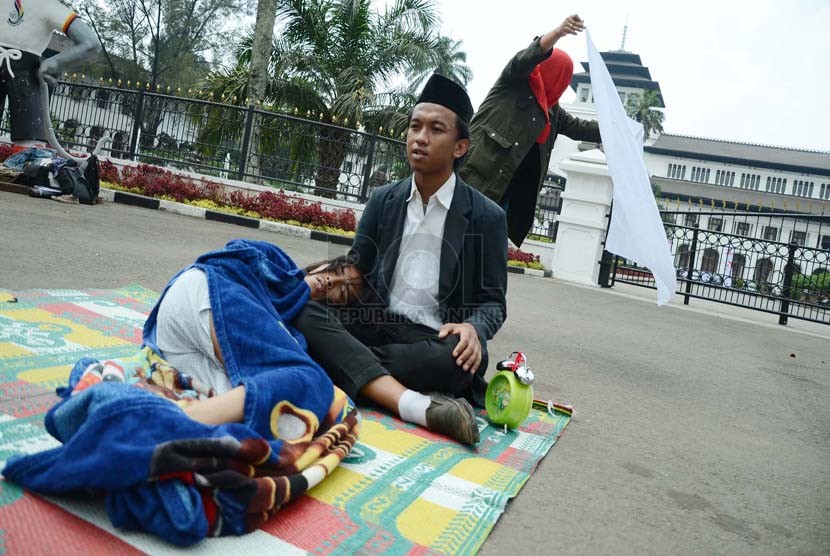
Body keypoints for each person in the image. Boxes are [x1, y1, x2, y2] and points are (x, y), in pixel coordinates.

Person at [295, 74, 509, 446]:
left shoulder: (487, 217)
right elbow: (358, 268)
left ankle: (342, 365)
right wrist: (310, 283)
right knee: (305, 311)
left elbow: (493, 301)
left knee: (457, 362)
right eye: (415, 126)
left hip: (435, 340)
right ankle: (410, 400)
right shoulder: (384, 199)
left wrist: (474, 328)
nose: (420, 137)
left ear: (460, 147)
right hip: (377, 322)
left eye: (435, 129)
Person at [141, 239, 363, 426]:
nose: (330, 280)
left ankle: (159, 425)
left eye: (342, 290)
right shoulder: (280, 264)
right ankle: (168, 428)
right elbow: (231, 255)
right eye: (335, 271)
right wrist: (292, 287)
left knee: (287, 407)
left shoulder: (298, 332)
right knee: (312, 381)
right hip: (205, 294)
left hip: (180, 347)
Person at [459, 14, 602, 247]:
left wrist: (616, 131)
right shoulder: (513, 82)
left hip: (511, 196)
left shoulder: (553, 112)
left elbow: (580, 128)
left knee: (481, 255)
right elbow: (525, 59)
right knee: (456, 243)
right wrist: (558, 33)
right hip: (479, 182)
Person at [0, 0, 100, 155]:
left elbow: (91, 43)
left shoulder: (47, 6)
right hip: (27, 76)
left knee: (29, 146)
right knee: (29, 143)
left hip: (27, 76)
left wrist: (57, 62)